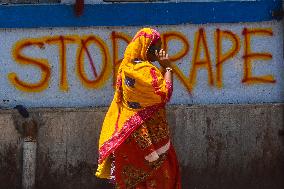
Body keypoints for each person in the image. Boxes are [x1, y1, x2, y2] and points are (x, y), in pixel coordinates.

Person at [95, 28, 181, 189]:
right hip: (148, 136)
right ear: (146, 48)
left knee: (133, 181)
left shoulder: (126, 68)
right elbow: (164, 94)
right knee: (161, 176)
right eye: (157, 46)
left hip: (128, 133)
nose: (160, 50)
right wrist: (168, 68)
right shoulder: (146, 72)